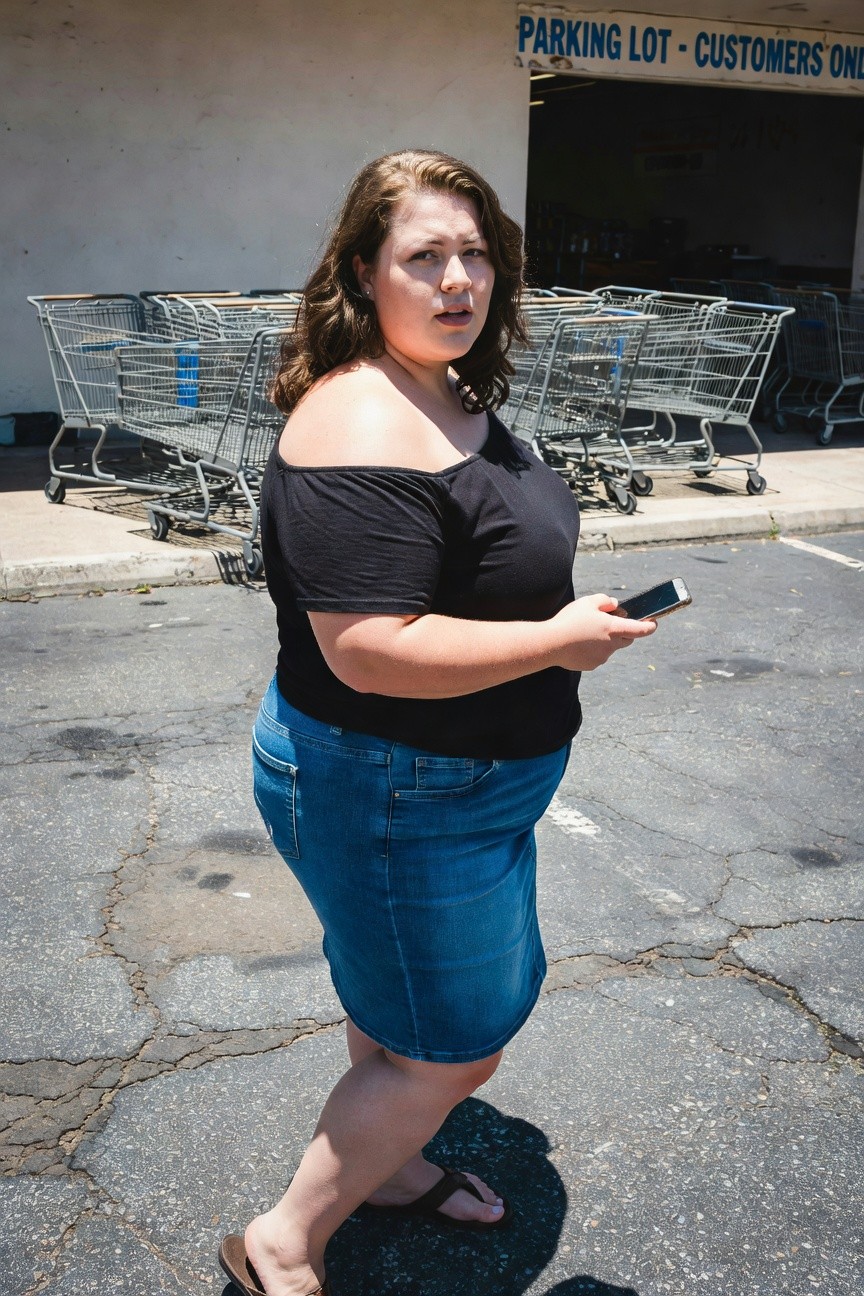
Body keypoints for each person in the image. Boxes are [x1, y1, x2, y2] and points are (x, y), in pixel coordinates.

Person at [218, 148, 655, 1296]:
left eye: (476, 254)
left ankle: (390, 1163)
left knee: (400, 1010)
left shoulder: (442, 386)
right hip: (393, 786)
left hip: (447, 786)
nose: (458, 280)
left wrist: (551, 626)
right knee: (454, 1046)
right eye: (424, 257)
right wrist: (555, 642)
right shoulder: (359, 420)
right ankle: (280, 1243)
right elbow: (367, 650)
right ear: (363, 274)